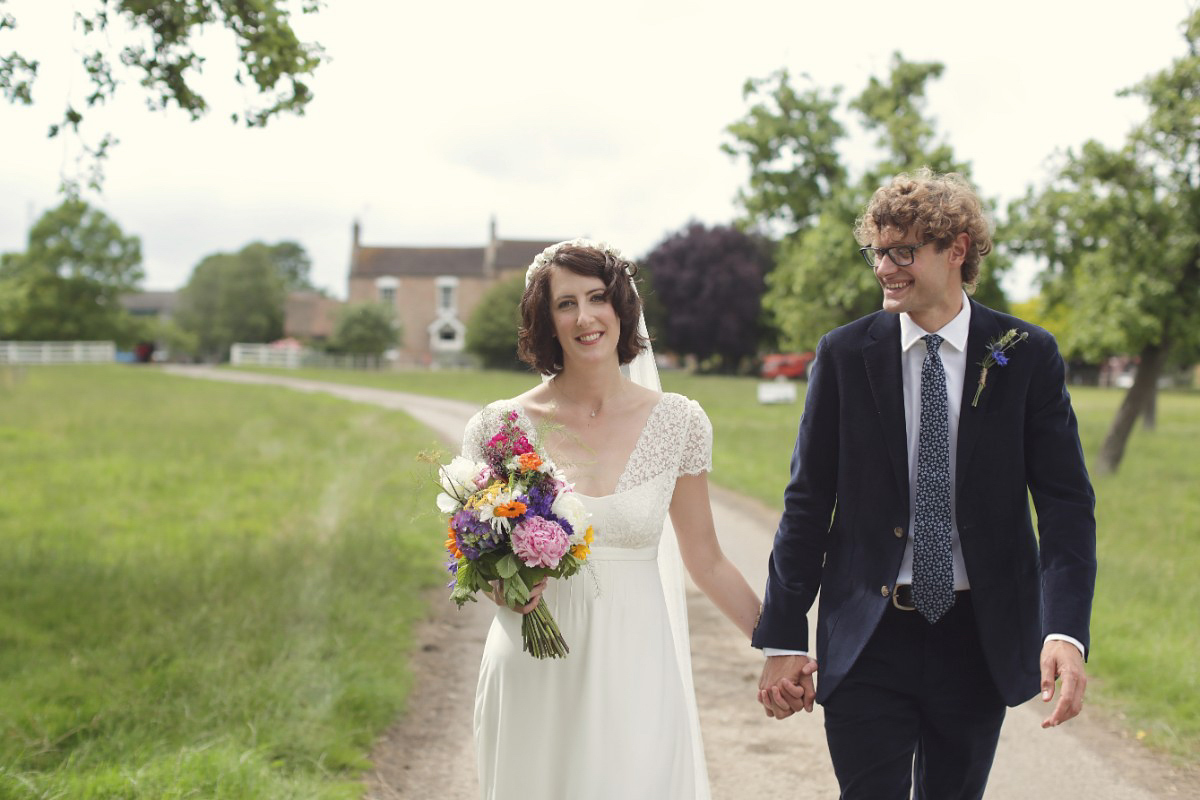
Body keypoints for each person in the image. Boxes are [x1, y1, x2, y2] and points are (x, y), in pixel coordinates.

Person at [753, 169, 1097, 799]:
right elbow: (807, 504)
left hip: (976, 636)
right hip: (868, 633)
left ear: (957, 249)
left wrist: (1065, 632)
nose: (885, 268)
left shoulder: (1024, 354)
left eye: (903, 251)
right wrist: (782, 635)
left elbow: (1066, 506)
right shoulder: (842, 355)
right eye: (878, 252)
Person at [461, 239, 761, 800]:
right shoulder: (500, 427)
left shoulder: (679, 423)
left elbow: (708, 560)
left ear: (621, 306)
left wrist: (778, 645)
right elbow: (472, 559)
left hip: (637, 663)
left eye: (597, 297)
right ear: (546, 320)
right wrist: (505, 589)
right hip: (533, 664)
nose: (585, 317)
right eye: (565, 303)